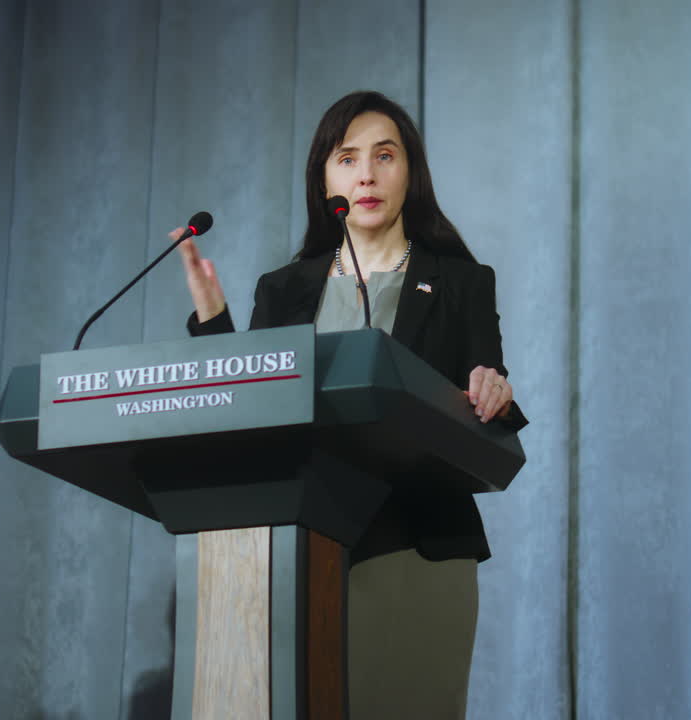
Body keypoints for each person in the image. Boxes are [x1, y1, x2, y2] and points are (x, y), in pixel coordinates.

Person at [174, 90, 527, 719]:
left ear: (410, 173)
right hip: (292, 557)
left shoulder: (461, 282)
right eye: (347, 158)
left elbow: (487, 386)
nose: (366, 174)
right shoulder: (283, 289)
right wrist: (214, 324)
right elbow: (251, 410)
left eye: (385, 156)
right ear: (324, 178)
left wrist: (495, 392)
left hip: (416, 550)